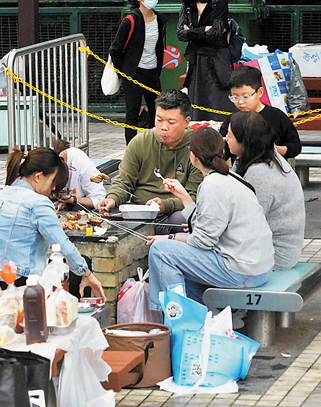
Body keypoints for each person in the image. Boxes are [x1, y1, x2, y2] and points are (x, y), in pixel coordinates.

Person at [146, 128, 274, 309]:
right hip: (259, 266)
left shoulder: (212, 185)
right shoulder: (230, 177)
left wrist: (169, 238)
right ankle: (205, 314)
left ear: (192, 157)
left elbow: (202, 241)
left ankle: (176, 317)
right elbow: (207, 227)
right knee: (176, 257)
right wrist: (184, 196)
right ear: (222, 151)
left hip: (242, 271)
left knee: (161, 251)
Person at [0, 147, 106, 305]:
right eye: (53, 182)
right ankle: (71, 319)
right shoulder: (37, 203)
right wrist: (87, 274)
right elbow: (62, 244)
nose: (53, 188)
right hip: (24, 288)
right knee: (81, 266)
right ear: (38, 176)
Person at [98, 89, 204, 232]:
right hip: (139, 209)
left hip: (173, 212)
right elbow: (123, 181)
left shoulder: (198, 147)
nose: (163, 127)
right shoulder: (140, 142)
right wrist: (112, 198)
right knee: (104, 216)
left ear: (186, 122)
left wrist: (165, 205)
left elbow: (194, 196)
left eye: (171, 122)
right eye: (159, 120)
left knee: (184, 219)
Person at [226, 111, 304, 270]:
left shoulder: (260, 172)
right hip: (258, 245)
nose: (226, 139)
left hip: (275, 255)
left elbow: (248, 221)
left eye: (229, 135)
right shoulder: (252, 156)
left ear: (243, 141)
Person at [109, 0, 167, 144]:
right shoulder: (130, 20)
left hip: (152, 71)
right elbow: (116, 49)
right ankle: (132, 151)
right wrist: (124, 73)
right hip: (133, 73)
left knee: (157, 111)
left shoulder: (160, 20)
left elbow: (158, 47)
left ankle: (155, 146)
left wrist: (157, 71)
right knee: (132, 113)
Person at [177, 0, 235, 122]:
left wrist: (192, 32)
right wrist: (204, 30)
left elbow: (216, 33)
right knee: (197, 100)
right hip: (196, 59)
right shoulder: (187, 4)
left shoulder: (219, 1)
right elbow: (180, 33)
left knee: (219, 99)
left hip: (217, 58)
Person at [219, 65, 302, 159]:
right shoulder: (232, 119)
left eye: (245, 96)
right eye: (235, 97)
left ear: (259, 92)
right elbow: (223, 149)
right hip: (241, 172)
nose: (240, 102)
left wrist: (276, 150)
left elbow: (295, 146)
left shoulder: (276, 116)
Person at [50, 139, 107, 210]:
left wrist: (72, 200)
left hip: (79, 203)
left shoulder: (81, 163)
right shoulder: (48, 161)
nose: (53, 188)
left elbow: (99, 200)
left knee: (77, 208)